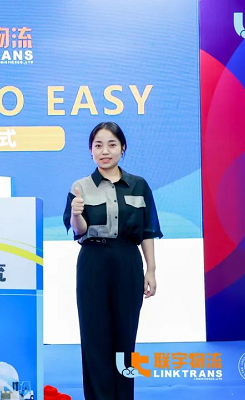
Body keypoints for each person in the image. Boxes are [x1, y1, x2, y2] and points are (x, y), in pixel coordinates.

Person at [63, 122, 162, 400]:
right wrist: (76, 213)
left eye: (111, 144)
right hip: (93, 261)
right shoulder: (80, 187)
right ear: (90, 151)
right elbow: (79, 231)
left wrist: (151, 269)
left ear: (123, 148)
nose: (104, 151)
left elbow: (147, 231)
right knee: (94, 335)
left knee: (125, 335)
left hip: (127, 261)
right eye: (98, 145)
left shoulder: (139, 185)